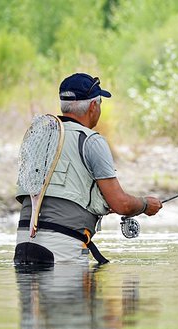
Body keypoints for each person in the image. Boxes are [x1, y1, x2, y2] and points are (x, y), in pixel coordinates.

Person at [14, 73, 162, 266]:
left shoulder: (38, 137)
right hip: (62, 249)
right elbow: (121, 205)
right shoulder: (91, 141)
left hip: (23, 245)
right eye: (100, 103)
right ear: (93, 106)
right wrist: (144, 205)